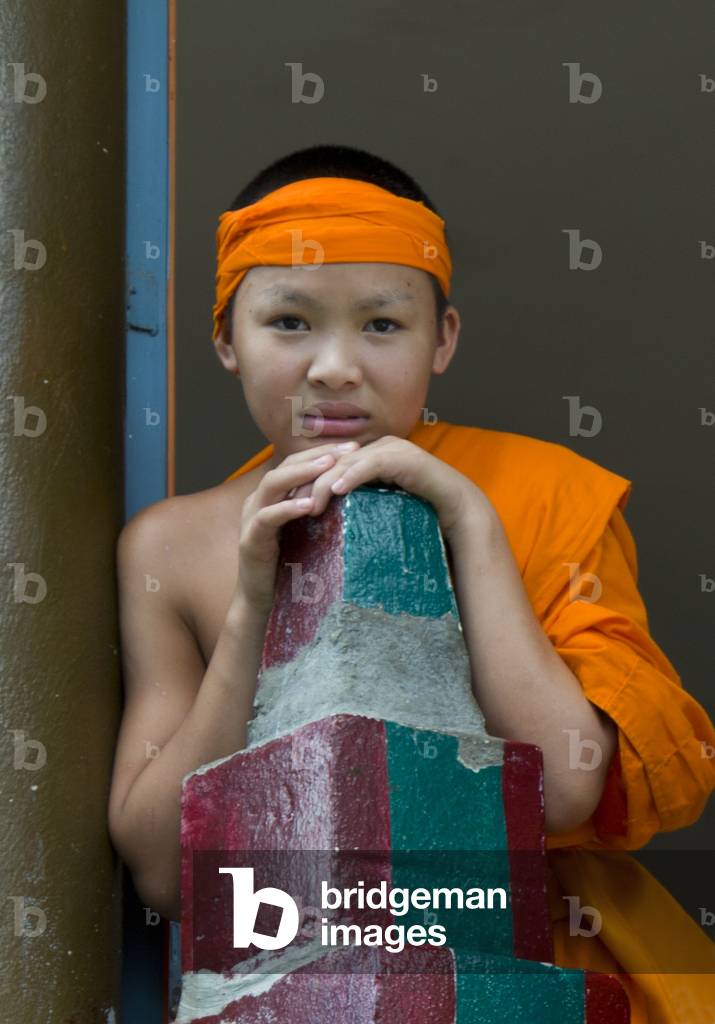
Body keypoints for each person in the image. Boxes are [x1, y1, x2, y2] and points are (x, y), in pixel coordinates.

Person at [108, 144, 715, 1022]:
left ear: (444, 340)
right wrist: (250, 606)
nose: (333, 367)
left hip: (531, 963)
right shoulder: (170, 545)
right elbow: (166, 872)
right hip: (299, 970)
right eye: (288, 323)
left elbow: (568, 783)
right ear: (223, 340)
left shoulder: (545, 492)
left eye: (382, 325)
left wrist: (468, 523)